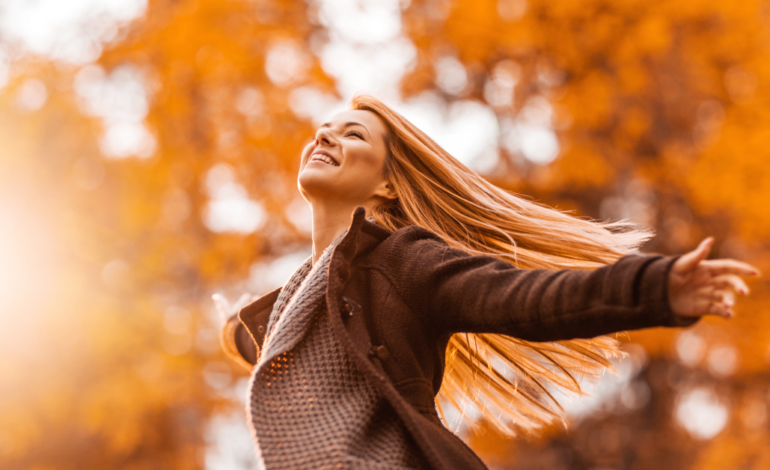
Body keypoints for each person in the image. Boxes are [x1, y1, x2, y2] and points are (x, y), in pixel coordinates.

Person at [220, 94, 759, 469]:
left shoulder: (404, 264)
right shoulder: (297, 298)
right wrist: (234, 329)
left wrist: (655, 288)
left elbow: (524, 300)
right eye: (322, 131)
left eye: (351, 133)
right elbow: (278, 347)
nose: (325, 138)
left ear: (387, 183)